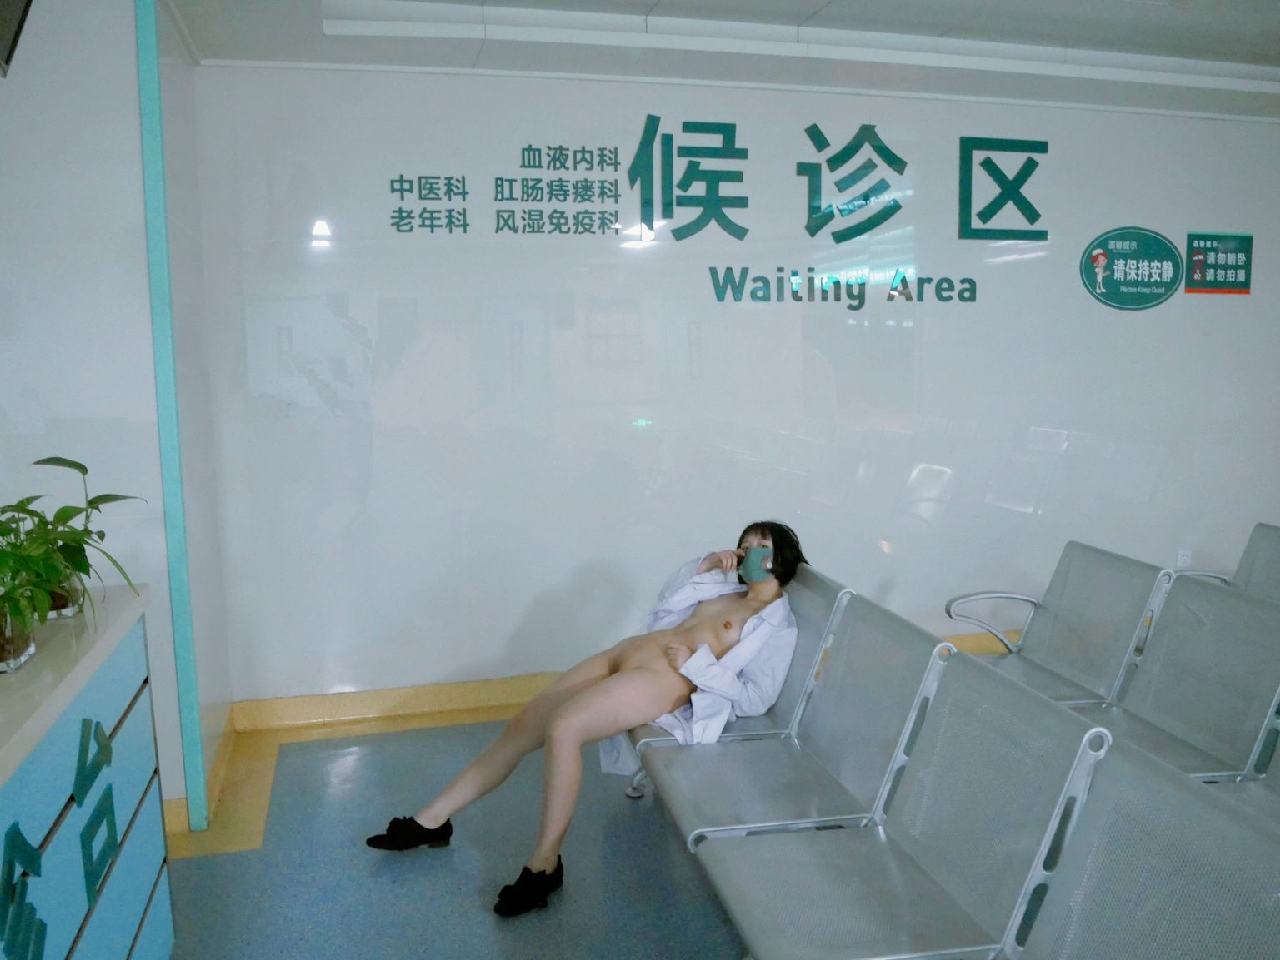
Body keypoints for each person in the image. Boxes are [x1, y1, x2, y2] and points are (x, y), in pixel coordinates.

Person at [365, 520, 805, 917]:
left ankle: (544, 864)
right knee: (523, 726)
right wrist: (704, 565)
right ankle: (431, 821)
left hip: (664, 678)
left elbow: (756, 699)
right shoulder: (721, 590)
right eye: (744, 543)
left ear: (779, 559)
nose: (746, 551)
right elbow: (667, 603)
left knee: (565, 728)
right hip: (626, 653)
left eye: (760, 545)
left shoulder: (777, 626)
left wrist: (696, 666)